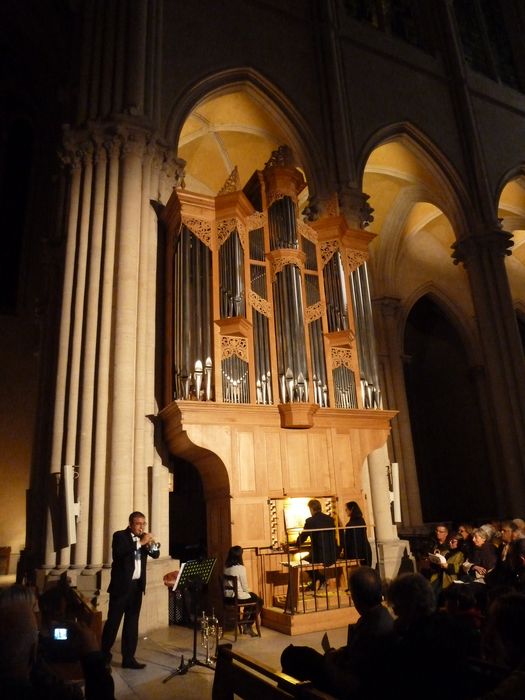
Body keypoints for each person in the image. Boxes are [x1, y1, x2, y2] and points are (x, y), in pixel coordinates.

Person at [281, 566, 394, 698]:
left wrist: (329, 661)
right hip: (356, 677)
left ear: (356, 597)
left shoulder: (373, 626)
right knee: (300, 655)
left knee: (292, 656)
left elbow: (352, 671)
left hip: (353, 688)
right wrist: (340, 653)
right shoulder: (381, 614)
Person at [101, 511, 160, 669]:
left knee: (132, 624)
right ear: (131, 524)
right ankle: (103, 656)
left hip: (136, 588)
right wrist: (140, 543)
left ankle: (128, 659)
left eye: (143, 524)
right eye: (138, 524)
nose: (141, 527)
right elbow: (119, 553)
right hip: (121, 588)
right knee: (113, 623)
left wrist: (151, 544)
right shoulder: (120, 536)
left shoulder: (143, 539)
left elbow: (156, 555)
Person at [296, 499, 337, 591]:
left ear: (311, 509)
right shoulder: (330, 519)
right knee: (310, 558)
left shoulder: (310, 521)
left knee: (303, 562)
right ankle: (316, 581)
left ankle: (320, 578)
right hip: (332, 554)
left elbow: (303, 537)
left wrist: (296, 543)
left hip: (320, 555)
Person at [223, 545, 263, 637]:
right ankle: (247, 625)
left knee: (252, 598)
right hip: (237, 597)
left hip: (228, 598)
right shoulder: (240, 568)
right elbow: (244, 587)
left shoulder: (226, 567)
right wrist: (248, 591)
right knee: (259, 601)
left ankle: (245, 623)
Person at [341, 501, 372, 567]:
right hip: (365, 550)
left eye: (346, 509)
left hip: (355, 553)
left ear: (351, 509)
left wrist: (344, 553)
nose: (345, 511)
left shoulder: (350, 524)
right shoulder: (362, 520)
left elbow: (348, 542)